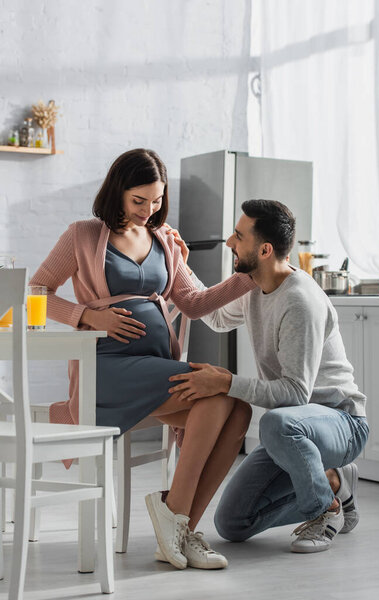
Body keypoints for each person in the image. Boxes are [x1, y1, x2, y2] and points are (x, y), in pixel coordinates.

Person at [30, 148, 255, 570]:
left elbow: (194, 302)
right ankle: (177, 521)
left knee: (237, 409)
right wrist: (87, 315)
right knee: (221, 393)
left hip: (155, 366)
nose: (148, 211)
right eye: (139, 201)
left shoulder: (164, 239)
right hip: (106, 367)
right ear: (116, 191)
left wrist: (250, 275)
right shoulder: (81, 234)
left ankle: (180, 524)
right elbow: (37, 290)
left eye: (157, 201)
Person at [168, 198, 369, 554]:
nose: (230, 242)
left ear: (263, 249)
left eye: (238, 236)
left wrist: (227, 382)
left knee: (275, 423)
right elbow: (212, 317)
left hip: (341, 422)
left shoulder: (299, 302)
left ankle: (325, 510)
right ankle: (335, 481)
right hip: (295, 430)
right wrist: (178, 262)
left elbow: (295, 394)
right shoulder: (251, 287)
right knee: (232, 524)